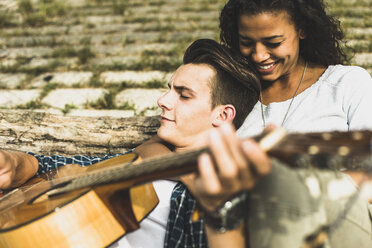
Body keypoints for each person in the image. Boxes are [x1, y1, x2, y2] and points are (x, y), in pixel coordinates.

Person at [0, 38, 261, 247]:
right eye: (169, 88)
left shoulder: (221, 195)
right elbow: (70, 169)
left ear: (223, 115)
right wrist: (18, 164)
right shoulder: (142, 157)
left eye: (183, 95)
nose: (163, 99)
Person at [159, 0, 372, 247]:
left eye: (274, 43)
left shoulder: (347, 84)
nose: (259, 55)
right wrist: (192, 176)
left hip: (342, 224)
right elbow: (158, 144)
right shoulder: (238, 96)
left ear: (301, 29)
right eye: (247, 43)